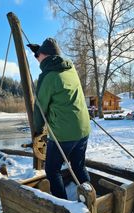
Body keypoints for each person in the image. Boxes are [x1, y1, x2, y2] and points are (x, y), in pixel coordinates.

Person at [27, 38, 91, 199]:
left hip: (63, 133)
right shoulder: (70, 69)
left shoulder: (47, 76)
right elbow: (51, 58)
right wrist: (39, 51)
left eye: (38, 55)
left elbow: (40, 108)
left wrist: (38, 129)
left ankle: (63, 207)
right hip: (83, 129)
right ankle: (91, 200)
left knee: (52, 170)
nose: (37, 59)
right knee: (78, 166)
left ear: (44, 55)